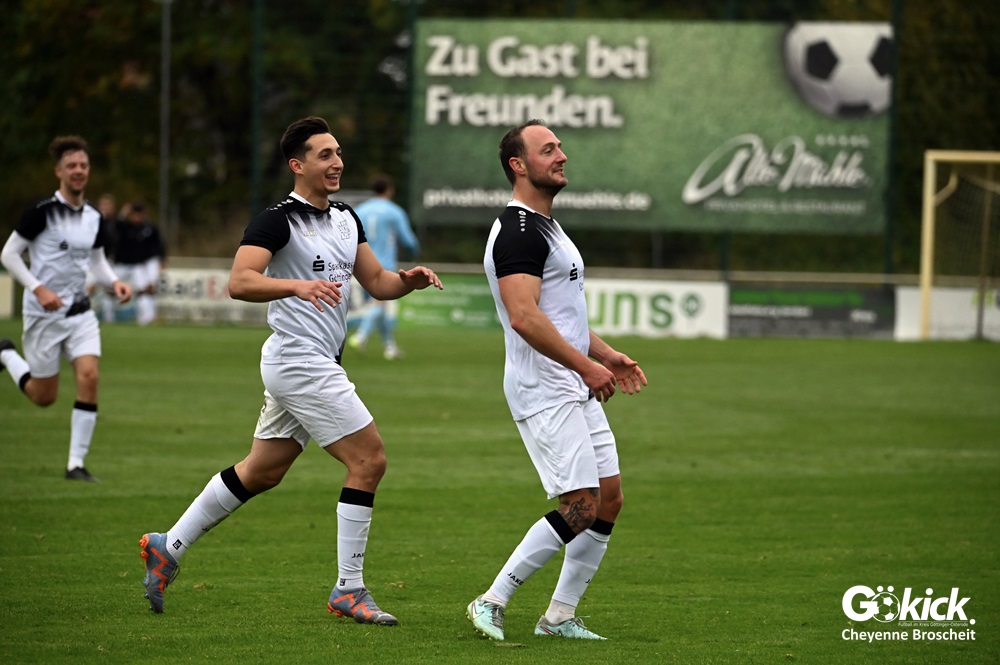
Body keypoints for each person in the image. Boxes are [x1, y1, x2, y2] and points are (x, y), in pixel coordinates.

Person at [137, 116, 443, 621]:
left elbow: (378, 282)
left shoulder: (346, 218)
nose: (337, 162)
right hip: (299, 361)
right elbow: (239, 281)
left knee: (263, 471)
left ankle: (168, 545)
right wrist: (296, 286)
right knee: (369, 461)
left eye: (338, 152)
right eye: (325, 155)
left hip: (308, 363)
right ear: (297, 165)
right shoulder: (276, 221)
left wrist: (407, 280)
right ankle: (349, 590)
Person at [468, 120, 647, 641]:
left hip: (571, 381)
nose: (561, 155)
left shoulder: (546, 225)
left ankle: (559, 618)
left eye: (560, 147)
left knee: (608, 499)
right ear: (518, 165)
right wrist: (585, 366)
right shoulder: (519, 231)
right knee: (581, 506)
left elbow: (560, 316)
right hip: (543, 385)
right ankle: (491, 600)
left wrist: (605, 354)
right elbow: (524, 316)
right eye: (548, 150)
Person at [0, 136, 133, 483]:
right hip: (43, 315)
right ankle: (6, 354)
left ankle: (76, 464)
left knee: (89, 377)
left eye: (83, 165)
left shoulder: (94, 217)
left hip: (80, 313)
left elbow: (97, 261)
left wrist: (114, 282)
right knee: (43, 396)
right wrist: (38, 289)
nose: (78, 171)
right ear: (58, 171)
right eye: (71, 165)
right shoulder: (41, 212)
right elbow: (8, 255)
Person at [346, 174, 420, 360]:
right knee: (380, 305)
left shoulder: (360, 210)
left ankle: (389, 347)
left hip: (360, 265)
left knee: (381, 307)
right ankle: (361, 336)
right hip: (382, 268)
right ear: (389, 190)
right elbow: (408, 240)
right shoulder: (394, 211)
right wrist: (415, 251)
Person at [102, 200, 167, 325]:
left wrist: (162, 259)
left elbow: (159, 244)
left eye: (140, 214)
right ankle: (108, 318)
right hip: (121, 264)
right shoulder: (123, 226)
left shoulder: (148, 227)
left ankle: (145, 320)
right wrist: (123, 213)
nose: (137, 218)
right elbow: (116, 226)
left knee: (143, 291)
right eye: (135, 214)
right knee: (111, 290)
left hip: (138, 265)